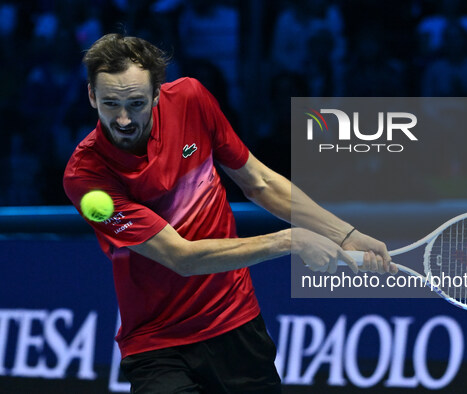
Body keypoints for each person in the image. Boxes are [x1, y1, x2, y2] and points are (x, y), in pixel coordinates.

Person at [63, 34, 396, 393]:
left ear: (158, 94)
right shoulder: (86, 178)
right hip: (157, 343)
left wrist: (344, 234)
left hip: (234, 322)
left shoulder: (191, 99)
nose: (124, 119)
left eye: (137, 103)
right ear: (92, 96)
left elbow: (259, 183)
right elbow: (181, 257)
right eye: (111, 103)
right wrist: (291, 240)